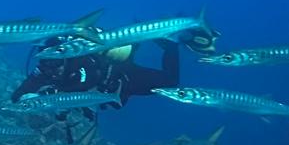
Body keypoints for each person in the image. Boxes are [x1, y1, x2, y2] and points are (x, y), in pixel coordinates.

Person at [13, 37, 181, 112]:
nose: (51, 67)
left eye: (55, 61)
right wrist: (24, 98)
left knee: (171, 82)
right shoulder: (44, 70)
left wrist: (50, 95)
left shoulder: (79, 61)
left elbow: (87, 81)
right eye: (45, 61)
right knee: (117, 104)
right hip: (109, 93)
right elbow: (18, 94)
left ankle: (171, 45)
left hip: (124, 75)